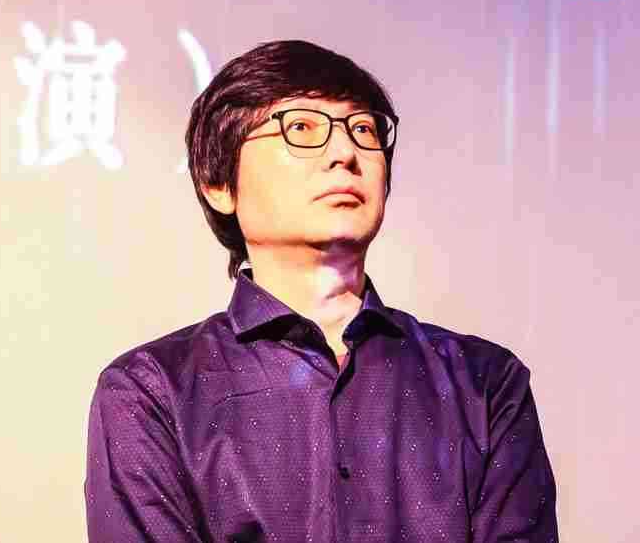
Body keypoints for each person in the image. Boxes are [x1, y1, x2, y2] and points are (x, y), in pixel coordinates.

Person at [84, 40, 559, 542]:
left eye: (363, 129)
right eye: (301, 128)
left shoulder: (484, 382)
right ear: (218, 183)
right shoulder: (152, 391)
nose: (344, 153)